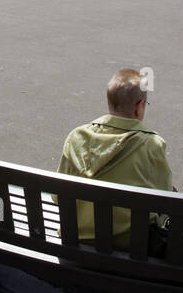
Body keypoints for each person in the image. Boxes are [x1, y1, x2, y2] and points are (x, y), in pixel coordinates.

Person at [57, 68, 174, 249]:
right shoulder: (152, 144)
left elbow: (58, 197)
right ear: (139, 106)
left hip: (77, 239)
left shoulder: (76, 138)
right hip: (129, 245)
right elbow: (164, 201)